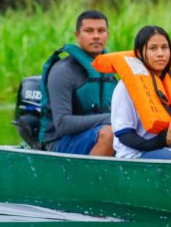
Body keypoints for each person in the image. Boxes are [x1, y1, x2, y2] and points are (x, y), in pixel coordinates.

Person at [94, 26, 171, 161]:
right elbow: (125, 135)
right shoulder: (125, 88)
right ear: (140, 53)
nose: (160, 54)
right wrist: (160, 142)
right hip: (136, 153)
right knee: (169, 158)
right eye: (153, 48)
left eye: (164, 47)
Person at [40, 10, 117, 156]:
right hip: (60, 142)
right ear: (77, 35)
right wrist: (110, 119)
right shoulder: (62, 71)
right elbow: (62, 124)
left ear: (107, 34)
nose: (96, 36)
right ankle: (90, 178)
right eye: (89, 31)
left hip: (99, 135)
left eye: (101, 31)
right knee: (110, 134)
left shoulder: (112, 69)